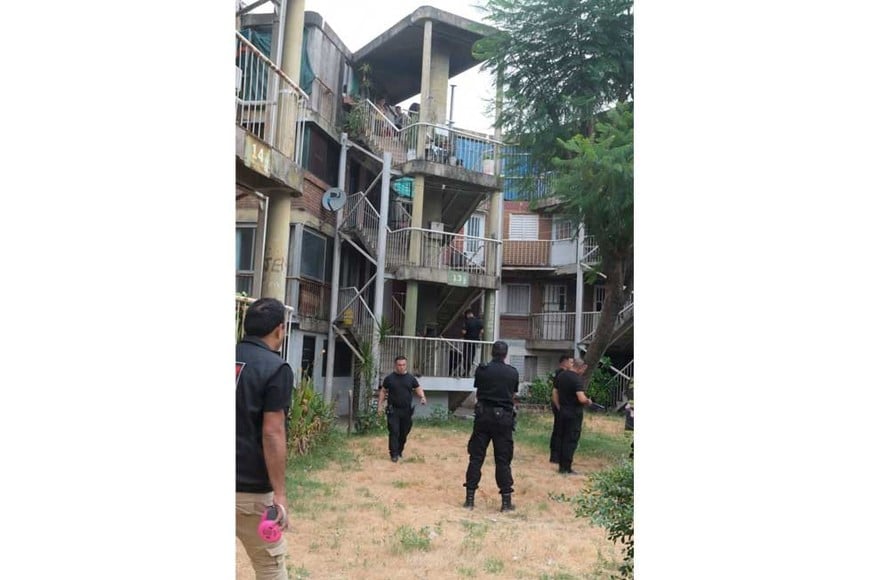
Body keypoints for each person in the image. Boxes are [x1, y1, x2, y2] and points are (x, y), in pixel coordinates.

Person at [236, 298, 294, 580]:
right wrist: (279, 495)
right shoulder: (275, 368)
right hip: (251, 492)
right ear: (279, 329)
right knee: (270, 569)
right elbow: (272, 431)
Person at [463, 341, 520, 512]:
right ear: (505, 354)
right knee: (503, 460)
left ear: (492, 352)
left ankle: (470, 499)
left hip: (483, 416)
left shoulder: (483, 369)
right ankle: (506, 501)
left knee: (476, 457)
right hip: (503, 418)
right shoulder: (512, 372)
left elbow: (479, 392)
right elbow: (512, 394)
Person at [377, 355, 427, 462]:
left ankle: (399, 450)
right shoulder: (389, 378)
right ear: (395, 365)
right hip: (393, 410)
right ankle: (393, 454)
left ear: (406, 365)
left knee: (404, 432)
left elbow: (418, 388)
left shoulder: (410, 378)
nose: (401, 367)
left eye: (403, 365)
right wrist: (380, 406)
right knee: (394, 431)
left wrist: (422, 397)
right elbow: (383, 391)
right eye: (399, 365)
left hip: (406, 410)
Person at [553, 358, 594, 475]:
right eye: (584, 369)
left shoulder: (561, 376)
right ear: (581, 367)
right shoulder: (576, 380)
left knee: (561, 438)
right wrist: (588, 401)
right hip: (573, 413)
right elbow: (581, 398)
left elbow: (555, 393)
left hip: (562, 411)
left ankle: (561, 466)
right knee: (570, 440)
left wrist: (558, 406)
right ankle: (567, 468)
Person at [548, 354, 574, 463]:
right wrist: (558, 406)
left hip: (561, 406)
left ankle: (557, 455)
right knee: (559, 431)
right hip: (559, 406)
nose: (572, 365)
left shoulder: (562, 373)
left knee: (559, 430)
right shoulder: (561, 374)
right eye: (571, 362)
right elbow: (555, 391)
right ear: (564, 362)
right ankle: (555, 456)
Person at [460, 309, 484, 376]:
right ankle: (468, 371)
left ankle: (466, 371)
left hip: (467, 341)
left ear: (467, 315)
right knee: (471, 356)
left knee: (466, 356)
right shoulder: (479, 321)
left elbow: (463, 332)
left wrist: (464, 334)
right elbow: (482, 331)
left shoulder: (466, 322)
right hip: (475, 342)